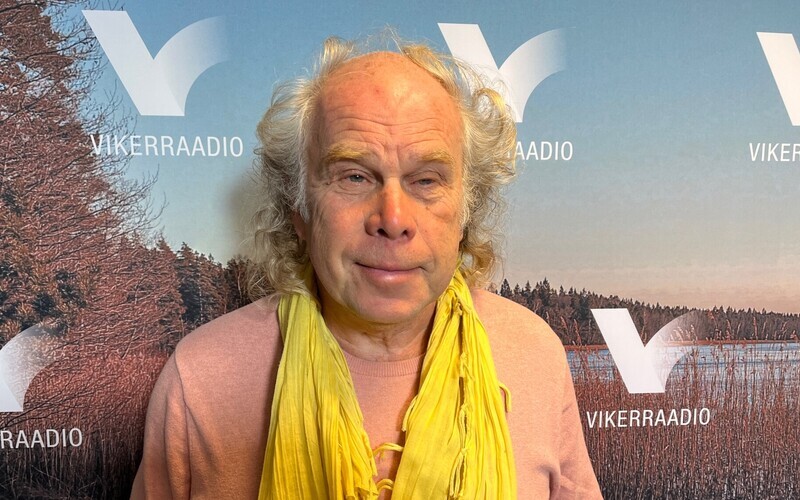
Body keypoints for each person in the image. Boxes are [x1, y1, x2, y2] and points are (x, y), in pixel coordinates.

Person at [131, 34, 602, 499]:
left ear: (466, 210)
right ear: (299, 210)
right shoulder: (202, 378)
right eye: (354, 176)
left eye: (426, 180)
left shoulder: (534, 357)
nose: (392, 220)